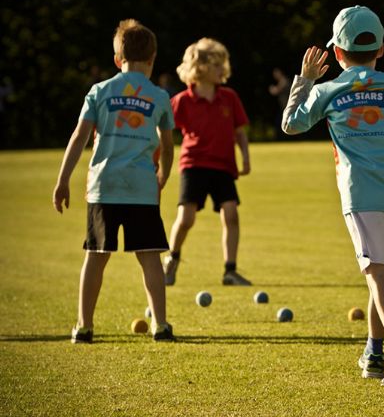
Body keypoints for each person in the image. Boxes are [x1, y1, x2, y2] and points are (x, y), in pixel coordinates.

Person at [282, 6, 384, 384]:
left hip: (361, 195)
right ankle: (373, 353)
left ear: (337, 52)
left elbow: (290, 124)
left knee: (378, 274)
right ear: (380, 50)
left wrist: (305, 79)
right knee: (379, 273)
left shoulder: (327, 89)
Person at [52, 19, 176, 343]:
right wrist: (163, 174)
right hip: (142, 188)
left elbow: (79, 137)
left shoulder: (100, 91)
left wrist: (63, 180)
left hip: (103, 186)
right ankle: (161, 326)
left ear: (118, 59)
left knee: (95, 256)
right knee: (149, 256)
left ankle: (84, 327)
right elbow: (167, 145)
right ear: (152, 59)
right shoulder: (159, 96)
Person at [163, 38, 253, 286]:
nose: (222, 69)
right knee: (186, 218)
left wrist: (245, 158)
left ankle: (230, 271)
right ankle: (171, 259)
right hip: (193, 165)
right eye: (216, 65)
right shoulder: (182, 100)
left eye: (223, 64)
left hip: (223, 166)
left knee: (231, 215)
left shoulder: (229, 97)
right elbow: (163, 130)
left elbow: (239, 132)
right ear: (200, 67)